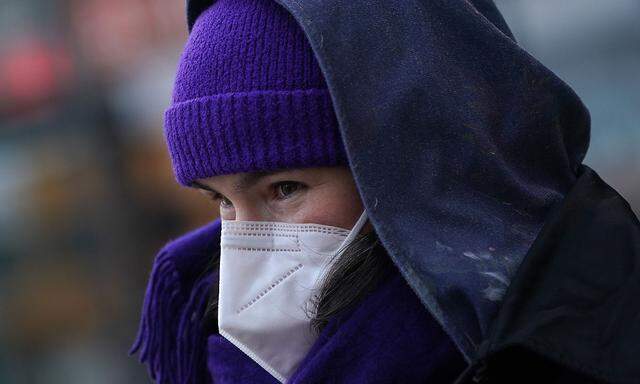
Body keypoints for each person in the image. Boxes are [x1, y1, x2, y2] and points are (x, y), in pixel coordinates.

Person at [130, 0, 640, 383]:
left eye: (285, 188)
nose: (244, 248)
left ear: (421, 170)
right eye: (219, 201)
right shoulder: (219, 360)